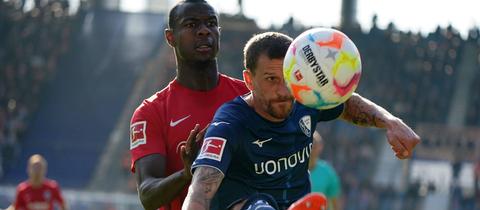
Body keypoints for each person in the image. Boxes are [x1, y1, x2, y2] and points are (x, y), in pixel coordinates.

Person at [182, 32, 420, 210]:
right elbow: (202, 187)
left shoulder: (305, 97)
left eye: (287, 77)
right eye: (270, 79)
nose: (282, 90)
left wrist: (390, 122)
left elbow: (346, 102)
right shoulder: (230, 122)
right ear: (248, 79)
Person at [129, 0, 249, 210]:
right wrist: (187, 173)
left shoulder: (248, 97)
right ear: (170, 37)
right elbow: (148, 195)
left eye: (211, 23)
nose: (204, 31)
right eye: (191, 25)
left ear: (218, 32)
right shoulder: (151, 112)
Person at [309, 131, 342, 210]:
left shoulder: (328, 172)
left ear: (321, 147)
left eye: (315, 146)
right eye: (311, 145)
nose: (313, 149)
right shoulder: (294, 170)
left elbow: (336, 203)